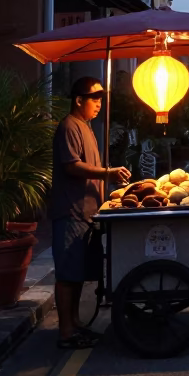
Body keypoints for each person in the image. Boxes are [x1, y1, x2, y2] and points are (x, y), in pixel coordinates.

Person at [51, 76, 130, 349]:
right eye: (94, 98)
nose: (98, 104)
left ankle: (75, 325)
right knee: (67, 275)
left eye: (100, 99)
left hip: (88, 213)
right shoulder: (68, 127)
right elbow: (72, 166)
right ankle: (66, 332)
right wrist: (107, 173)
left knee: (78, 275)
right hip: (71, 211)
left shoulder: (86, 127)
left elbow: (91, 168)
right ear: (79, 100)